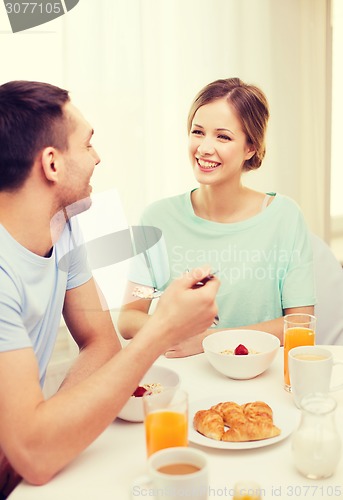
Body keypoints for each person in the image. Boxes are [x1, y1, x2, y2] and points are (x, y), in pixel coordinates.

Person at [0, 80, 219, 497]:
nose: (98, 158)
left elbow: (101, 342)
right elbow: (36, 458)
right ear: (52, 164)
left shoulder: (61, 226)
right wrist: (161, 330)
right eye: (87, 145)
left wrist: (45, 426)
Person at [118, 77, 315, 357]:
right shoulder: (157, 218)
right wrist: (173, 331)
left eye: (223, 136)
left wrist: (209, 341)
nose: (204, 148)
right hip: (183, 377)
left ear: (251, 147)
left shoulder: (284, 217)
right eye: (198, 132)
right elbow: (129, 317)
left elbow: (299, 325)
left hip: (258, 379)